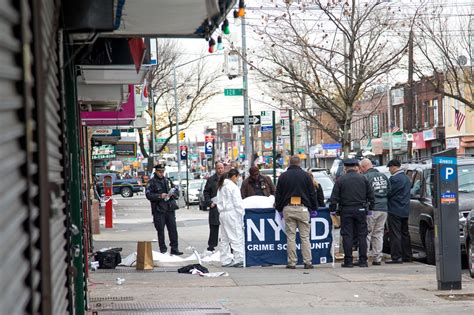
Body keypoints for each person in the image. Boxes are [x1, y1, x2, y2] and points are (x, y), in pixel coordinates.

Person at [329, 158, 374, 268]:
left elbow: (334, 197)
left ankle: (348, 261)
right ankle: (363, 260)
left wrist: (333, 210)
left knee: (347, 235)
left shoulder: (341, 180)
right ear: (356, 167)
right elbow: (371, 196)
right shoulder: (363, 179)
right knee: (362, 235)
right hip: (361, 210)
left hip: (346, 211)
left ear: (345, 168)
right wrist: (370, 210)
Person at [275, 155, 318, 270]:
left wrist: (279, 209)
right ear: (299, 163)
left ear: (289, 163)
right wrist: (314, 208)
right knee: (305, 237)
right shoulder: (306, 176)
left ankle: (292, 262)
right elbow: (312, 194)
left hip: (288, 208)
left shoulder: (283, 177)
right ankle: (307, 262)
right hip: (302, 208)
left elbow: (278, 195)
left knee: (290, 237)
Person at [145, 164, 182, 255]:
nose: (161, 173)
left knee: (173, 229)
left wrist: (173, 193)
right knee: (161, 231)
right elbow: (148, 195)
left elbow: (176, 191)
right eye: (160, 172)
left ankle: (174, 248)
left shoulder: (168, 181)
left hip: (169, 209)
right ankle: (163, 249)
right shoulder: (151, 182)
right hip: (159, 210)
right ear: (156, 172)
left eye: (163, 171)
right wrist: (159, 196)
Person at [359, 158, 391, 265]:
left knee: (367, 233)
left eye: (361, 168)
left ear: (363, 167)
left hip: (371, 209)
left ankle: (365, 257)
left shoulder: (366, 177)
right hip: (384, 208)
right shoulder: (383, 176)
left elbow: (363, 194)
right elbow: (389, 190)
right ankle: (377, 258)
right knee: (378, 233)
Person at [215, 169, 245, 267]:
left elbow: (218, 201)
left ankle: (225, 259)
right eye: (238, 177)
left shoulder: (221, 186)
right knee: (236, 236)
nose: (238, 179)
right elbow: (237, 203)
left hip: (223, 214)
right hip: (232, 213)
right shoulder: (233, 187)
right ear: (234, 176)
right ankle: (239, 258)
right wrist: (242, 214)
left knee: (225, 238)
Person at [386, 159, 412, 264]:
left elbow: (389, 193)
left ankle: (396, 257)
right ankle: (407, 256)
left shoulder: (394, 179)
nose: (389, 170)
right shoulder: (406, 178)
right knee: (405, 233)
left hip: (394, 209)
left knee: (395, 234)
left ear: (393, 167)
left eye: (389, 168)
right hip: (405, 209)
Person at [203, 162, 225, 252]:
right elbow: (206, 192)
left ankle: (230, 246)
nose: (220, 170)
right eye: (218, 168)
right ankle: (211, 246)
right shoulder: (211, 180)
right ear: (216, 169)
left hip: (225, 207)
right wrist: (209, 203)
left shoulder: (227, 179)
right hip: (215, 206)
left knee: (227, 227)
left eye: (221, 168)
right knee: (214, 227)